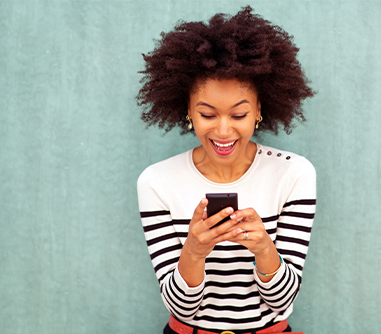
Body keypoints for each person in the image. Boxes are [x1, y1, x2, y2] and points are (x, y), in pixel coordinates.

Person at [136, 6, 316, 334]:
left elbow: (283, 303)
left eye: (238, 115)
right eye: (207, 114)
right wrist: (194, 250)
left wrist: (264, 248)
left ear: (259, 110)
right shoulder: (156, 182)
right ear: (187, 110)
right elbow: (180, 307)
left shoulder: (294, 174)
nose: (222, 131)